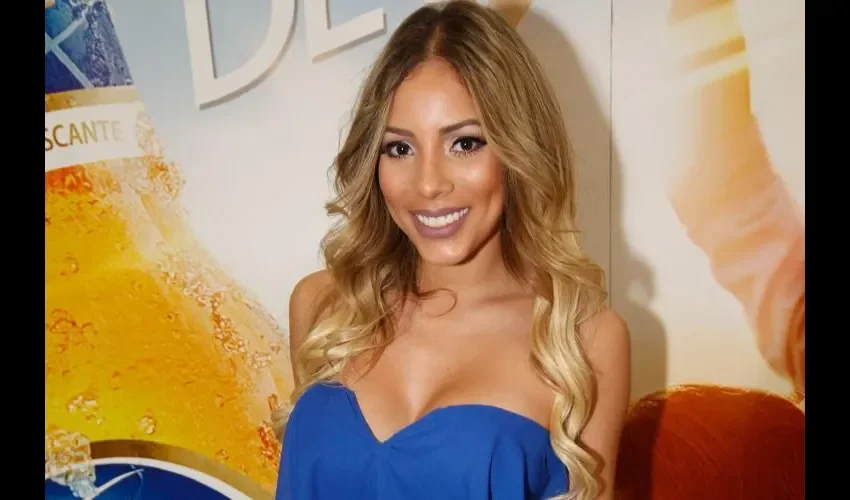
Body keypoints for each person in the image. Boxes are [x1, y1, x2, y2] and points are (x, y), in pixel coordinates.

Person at [273, 2, 630, 499]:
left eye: (464, 143)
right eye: (400, 148)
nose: (429, 184)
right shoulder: (326, 308)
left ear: (517, 150)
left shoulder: (581, 338)